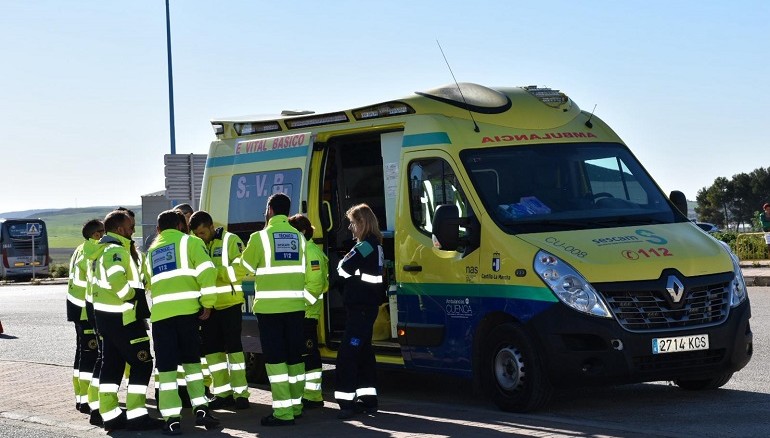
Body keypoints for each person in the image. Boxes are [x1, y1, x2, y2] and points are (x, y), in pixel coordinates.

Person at [236, 193, 311, 426]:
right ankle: (296, 406)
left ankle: (283, 412)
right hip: (296, 308)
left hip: (270, 311)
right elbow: (310, 274)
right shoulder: (300, 238)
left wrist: (221, 275)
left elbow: (244, 268)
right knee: (295, 358)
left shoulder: (260, 237)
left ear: (269, 210)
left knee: (276, 361)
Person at [143, 209, 220, 434]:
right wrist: (208, 302)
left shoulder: (152, 251)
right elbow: (208, 272)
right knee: (192, 364)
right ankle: (201, 409)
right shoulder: (191, 242)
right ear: (179, 225)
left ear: (158, 229)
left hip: (161, 318)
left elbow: (147, 283)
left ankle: (172, 420)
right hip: (188, 314)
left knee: (166, 369)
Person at [91, 210, 162, 431]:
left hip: (108, 319)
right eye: (131, 227)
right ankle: (137, 416)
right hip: (125, 318)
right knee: (142, 363)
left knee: (112, 366)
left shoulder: (104, 249)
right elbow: (117, 281)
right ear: (120, 229)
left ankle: (111, 416)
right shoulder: (116, 250)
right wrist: (131, 296)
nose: (133, 230)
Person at [189, 210, 250, 410]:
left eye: (202, 233)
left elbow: (240, 270)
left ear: (211, 227)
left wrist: (214, 273)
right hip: (208, 307)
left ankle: (241, 394)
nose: (200, 237)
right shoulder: (196, 244)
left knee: (234, 351)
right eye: (196, 234)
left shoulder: (231, 240)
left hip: (230, 304)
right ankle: (223, 393)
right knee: (213, 353)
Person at [334, 203, 384, 420]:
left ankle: (346, 403)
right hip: (367, 306)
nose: (350, 228)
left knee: (348, 354)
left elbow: (343, 267)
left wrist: (343, 267)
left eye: (353, 223)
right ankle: (368, 399)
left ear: (363, 223)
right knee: (364, 354)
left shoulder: (365, 246)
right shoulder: (376, 245)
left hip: (360, 308)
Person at [288, 213, 329, 409]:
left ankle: (313, 396)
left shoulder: (311, 253)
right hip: (301, 313)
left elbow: (315, 286)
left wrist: (299, 305)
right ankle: (307, 393)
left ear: (303, 232)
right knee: (303, 354)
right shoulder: (303, 251)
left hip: (306, 314)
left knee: (309, 354)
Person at [66, 219, 104, 415]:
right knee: (89, 355)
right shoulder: (91, 250)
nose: (105, 235)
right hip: (84, 309)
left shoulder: (79, 249)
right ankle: (87, 400)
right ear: (96, 234)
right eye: (103, 232)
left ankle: (81, 398)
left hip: (76, 307)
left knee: (82, 354)